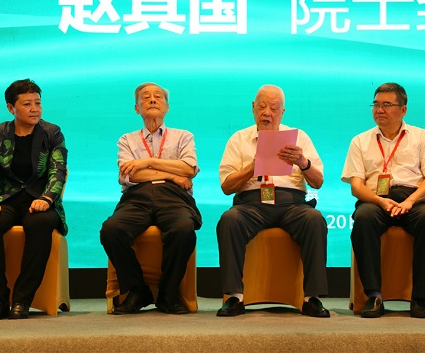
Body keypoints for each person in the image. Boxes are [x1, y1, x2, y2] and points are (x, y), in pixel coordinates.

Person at [216, 85, 330, 318]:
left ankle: (311, 298)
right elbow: (227, 187)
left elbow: (318, 182)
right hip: (251, 205)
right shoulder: (238, 139)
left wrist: (302, 161)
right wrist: (252, 167)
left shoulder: (298, 137)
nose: (267, 112)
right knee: (229, 220)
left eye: (274, 108)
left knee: (314, 219)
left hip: (292, 204)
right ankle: (234, 297)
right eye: (262, 106)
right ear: (253, 108)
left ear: (282, 112)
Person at [342, 82, 425, 318]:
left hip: (414, 199)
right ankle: (374, 296)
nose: (379, 110)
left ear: (403, 110)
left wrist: (410, 201)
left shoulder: (422, 136)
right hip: (375, 200)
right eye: (376, 104)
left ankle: (420, 298)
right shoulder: (360, 141)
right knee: (363, 219)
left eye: (386, 105)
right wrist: (380, 201)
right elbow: (356, 186)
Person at [100, 82, 201, 315]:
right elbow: (130, 175)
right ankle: (138, 290)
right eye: (145, 97)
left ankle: (168, 294)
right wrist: (172, 175)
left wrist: (147, 162)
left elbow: (188, 168)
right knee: (111, 230)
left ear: (167, 107)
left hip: (174, 197)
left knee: (184, 229)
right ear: (137, 108)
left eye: (158, 97)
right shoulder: (127, 140)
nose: (152, 100)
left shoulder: (183, 136)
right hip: (137, 197)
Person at [0, 79, 68, 320]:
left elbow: (57, 171)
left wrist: (47, 198)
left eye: (38, 103)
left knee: (40, 223)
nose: (35, 109)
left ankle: (22, 300)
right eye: (27, 104)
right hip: (6, 199)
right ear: (11, 108)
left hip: (40, 200)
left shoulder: (52, 132)